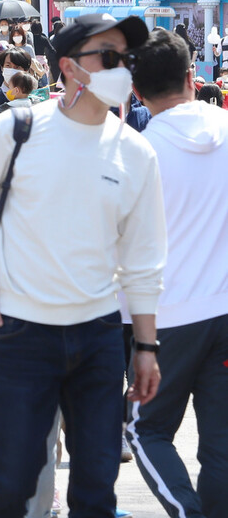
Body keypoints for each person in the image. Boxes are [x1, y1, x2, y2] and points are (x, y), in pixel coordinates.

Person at [0, 14, 165, 517]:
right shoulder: (17, 129)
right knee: (11, 484)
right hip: (22, 333)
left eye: (127, 58)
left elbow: (143, 261)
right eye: (109, 56)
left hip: (99, 337)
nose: (121, 67)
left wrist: (145, 345)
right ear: (69, 68)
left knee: (96, 489)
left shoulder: (135, 152)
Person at [129, 28, 228, 518]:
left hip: (164, 321)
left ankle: (188, 512)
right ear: (194, 77)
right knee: (222, 444)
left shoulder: (137, 154)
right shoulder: (226, 128)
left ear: (136, 90)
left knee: (145, 430)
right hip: (226, 309)